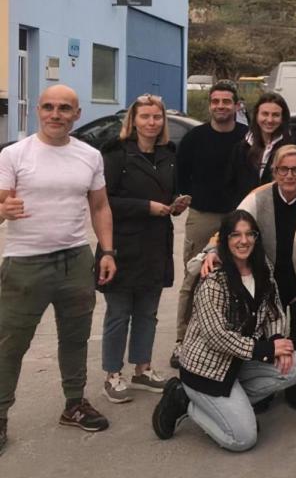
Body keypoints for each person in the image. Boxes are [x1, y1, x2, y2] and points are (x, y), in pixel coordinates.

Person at [0, 85, 117, 454]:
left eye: (64, 108)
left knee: (75, 338)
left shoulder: (90, 156)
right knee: (9, 345)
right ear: (38, 110)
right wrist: (3, 211)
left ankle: (74, 404)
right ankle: (0, 416)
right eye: (49, 107)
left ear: (77, 115)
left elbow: (100, 207)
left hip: (75, 260)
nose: (56, 114)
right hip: (24, 264)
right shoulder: (14, 155)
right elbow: (1, 203)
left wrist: (108, 251)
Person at [152, 211, 296, 452]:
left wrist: (277, 340)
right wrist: (266, 349)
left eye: (249, 234)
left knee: (295, 365)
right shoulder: (214, 277)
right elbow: (216, 337)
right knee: (243, 439)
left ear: (256, 237)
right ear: (224, 239)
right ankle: (186, 401)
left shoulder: (262, 266)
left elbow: (274, 311)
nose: (243, 241)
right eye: (236, 235)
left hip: (238, 362)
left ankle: (233, 407)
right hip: (207, 369)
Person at [200, 145, 296, 410]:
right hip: (262, 278)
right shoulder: (258, 197)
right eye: (283, 169)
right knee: (262, 331)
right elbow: (233, 226)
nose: (290, 175)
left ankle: (294, 385)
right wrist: (213, 250)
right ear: (274, 171)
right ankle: (266, 388)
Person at [100, 95, 189, 404]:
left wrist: (176, 205)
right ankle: (113, 374)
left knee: (148, 313)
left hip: (156, 244)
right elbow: (104, 202)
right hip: (122, 244)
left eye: (157, 117)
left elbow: (168, 193)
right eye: (145, 117)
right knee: (119, 314)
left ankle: (142, 368)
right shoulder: (115, 154)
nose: (152, 122)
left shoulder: (168, 154)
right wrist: (145, 207)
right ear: (133, 121)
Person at [173, 80, 248, 367]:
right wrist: (182, 199)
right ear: (209, 105)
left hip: (237, 218)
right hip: (202, 216)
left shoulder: (246, 138)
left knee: (236, 280)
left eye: (226, 101)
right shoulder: (195, 138)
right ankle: (183, 341)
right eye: (215, 101)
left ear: (236, 105)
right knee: (194, 278)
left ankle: (229, 339)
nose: (220, 106)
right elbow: (181, 176)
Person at [225, 92, 292, 207]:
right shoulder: (241, 148)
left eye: (275, 115)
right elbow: (231, 185)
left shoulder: (292, 147)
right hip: (246, 214)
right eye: (265, 114)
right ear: (256, 115)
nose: (269, 120)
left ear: (283, 118)